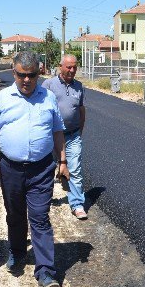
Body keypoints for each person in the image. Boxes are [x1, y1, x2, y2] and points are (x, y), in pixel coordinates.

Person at [0, 51, 70, 287]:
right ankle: (17, 252)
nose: (26, 80)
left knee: (40, 217)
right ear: (13, 72)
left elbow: (58, 130)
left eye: (31, 75)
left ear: (38, 73)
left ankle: (46, 272)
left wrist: (62, 161)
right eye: (21, 75)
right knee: (15, 215)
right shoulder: (1, 98)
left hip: (41, 169)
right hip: (11, 169)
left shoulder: (48, 98)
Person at [42, 54, 87, 220]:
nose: (72, 70)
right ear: (60, 66)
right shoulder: (49, 85)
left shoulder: (79, 87)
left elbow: (81, 110)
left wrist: (79, 131)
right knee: (47, 168)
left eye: (75, 67)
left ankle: (77, 204)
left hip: (72, 135)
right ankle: (44, 199)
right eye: (69, 67)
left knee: (75, 169)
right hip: (51, 136)